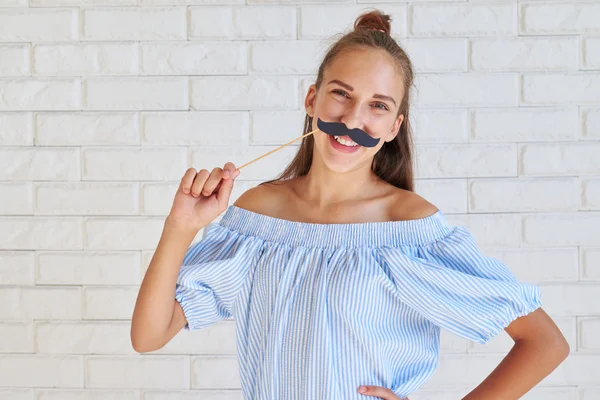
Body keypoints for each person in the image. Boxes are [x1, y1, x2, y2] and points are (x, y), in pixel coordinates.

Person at [131, 10, 569, 400]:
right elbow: (149, 336)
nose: (353, 119)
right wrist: (181, 226)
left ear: (394, 126)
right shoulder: (258, 215)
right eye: (340, 94)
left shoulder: (411, 228)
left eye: (377, 105)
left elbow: (545, 343)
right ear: (311, 100)